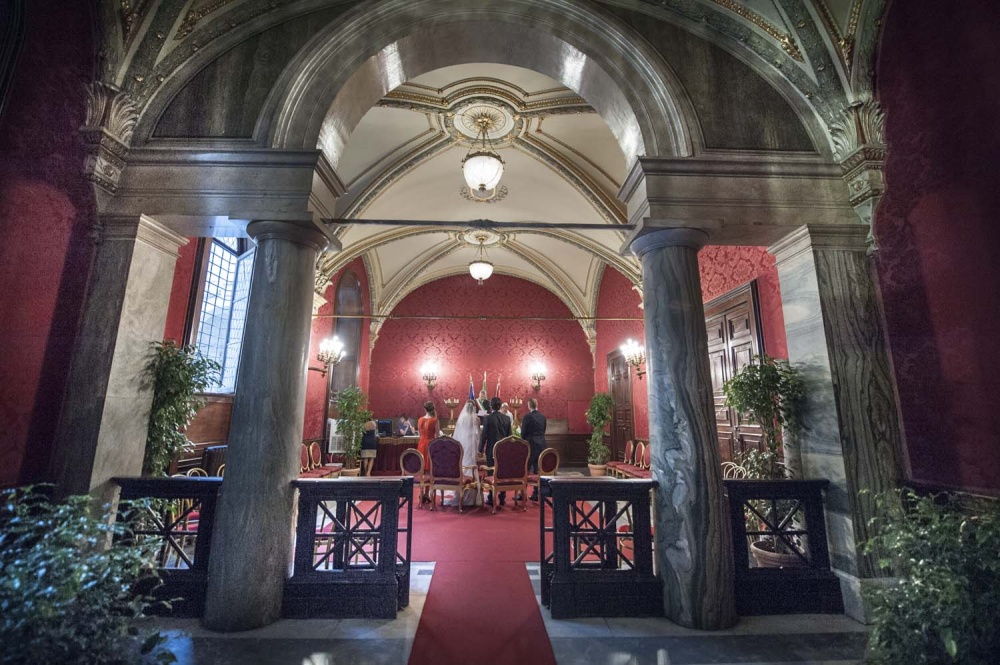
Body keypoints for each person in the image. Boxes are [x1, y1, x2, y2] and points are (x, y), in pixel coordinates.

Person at [479, 397, 512, 506]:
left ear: (491, 406)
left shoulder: (488, 419)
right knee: (502, 471)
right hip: (504, 449)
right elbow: (510, 436)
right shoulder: (507, 419)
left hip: (491, 448)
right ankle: (502, 497)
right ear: (500, 405)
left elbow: (484, 436)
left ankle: (491, 496)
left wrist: (480, 449)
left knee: (491, 472)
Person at [450, 400, 483, 507]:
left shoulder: (461, 419)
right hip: (472, 443)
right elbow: (478, 434)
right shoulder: (477, 419)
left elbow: (458, 433)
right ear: (474, 409)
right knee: (471, 465)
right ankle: (471, 492)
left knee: (462, 464)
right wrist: (478, 448)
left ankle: (460, 490)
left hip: (463, 444)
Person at [520, 398, 547, 501]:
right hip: (542, 444)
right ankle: (536, 493)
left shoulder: (527, 417)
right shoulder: (543, 417)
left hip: (530, 445)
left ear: (529, 406)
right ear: (537, 405)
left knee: (525, 469)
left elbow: (523, 433)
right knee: (537, 469)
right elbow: (543, 430)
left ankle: (522, 494)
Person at [416, 401, 439, 503]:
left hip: (421, 444)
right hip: (430, 445)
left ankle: (421, 493)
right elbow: (437, 436)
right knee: (429, 470)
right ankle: (426, 493)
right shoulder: (435, 420)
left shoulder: (420, 419)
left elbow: (419, 433)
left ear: (424, 409)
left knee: (422, 469)